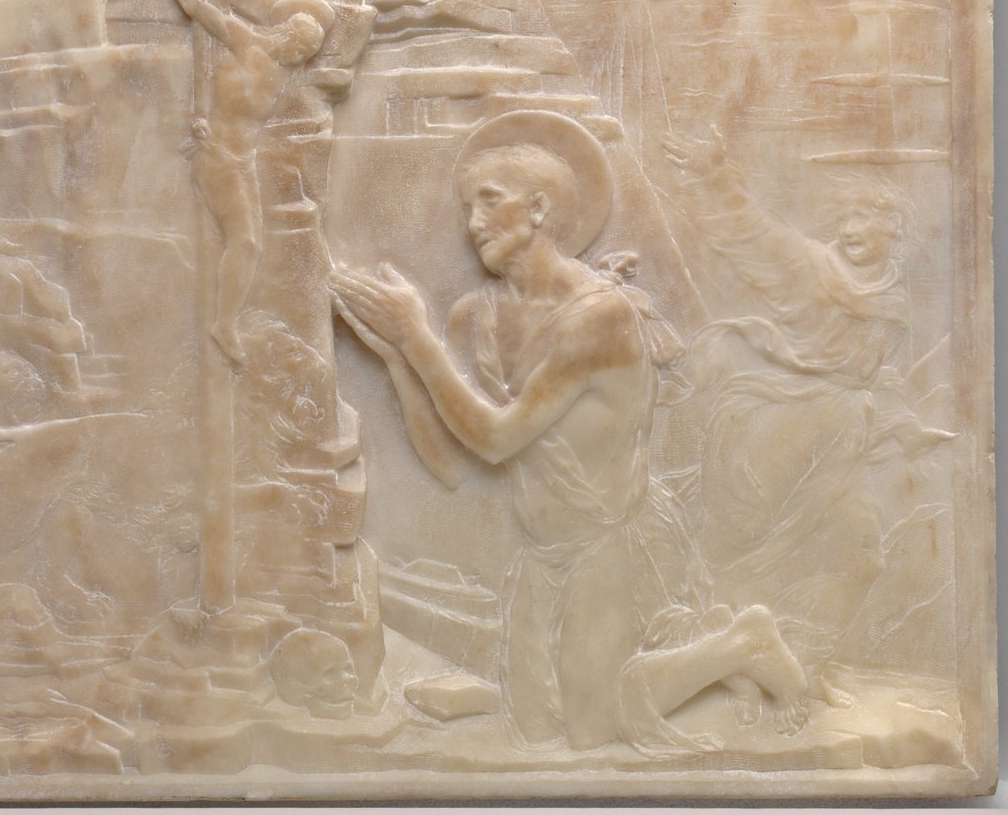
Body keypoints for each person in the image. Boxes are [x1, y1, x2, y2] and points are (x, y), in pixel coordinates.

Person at [331, 111, 808, 755]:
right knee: (536, 733)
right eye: (467, 206)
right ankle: (536, 683)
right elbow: (451, 463)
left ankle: (743, 641)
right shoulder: (477, 316)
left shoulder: (599, 317)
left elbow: (497, 438)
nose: (472, 223)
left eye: (489, 201)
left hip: (612, 546)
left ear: (538, 209)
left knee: (593, 732)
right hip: (541, 551)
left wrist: (416, 338)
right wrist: (394, 358)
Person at [661, 125, 953, 713]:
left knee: (860, 555)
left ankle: (801, 662)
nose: (848, 229)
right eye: (843, 217)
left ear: (893, 229)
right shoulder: (812, 267)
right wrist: (713, 174)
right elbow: (754, 233)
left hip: (840, 436)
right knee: (741, 549)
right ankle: (730, 670)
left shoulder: (891, 297)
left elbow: (873, 375)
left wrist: (904, 429)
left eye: (863, 217)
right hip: (777, 425)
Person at [119, 0, 333, 364]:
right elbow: (198, 6)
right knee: (247, 242)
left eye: (308, 51)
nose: (301, 54)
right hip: (217, 156)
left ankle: (224, 322)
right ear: (286, 33)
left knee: (250, 245)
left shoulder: (282, 74)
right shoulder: (248, 43)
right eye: (301, 43)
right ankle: (224, 325)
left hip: (241, 162)